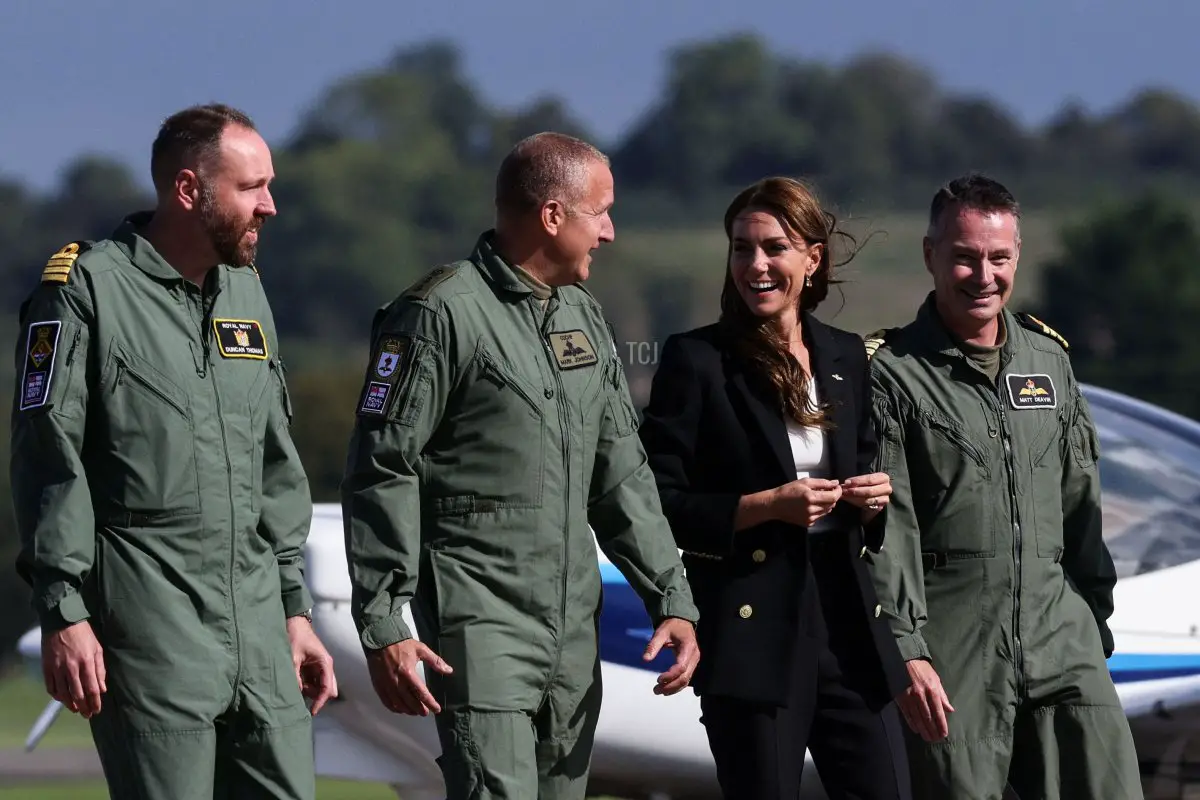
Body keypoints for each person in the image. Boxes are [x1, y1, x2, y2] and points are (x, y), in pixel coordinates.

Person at [340, 131, 701, 800]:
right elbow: (382, 469)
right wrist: (384, 621)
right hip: (480, 630)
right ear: (554, 215)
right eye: (601, 212)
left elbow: (621, 475)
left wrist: (669, 597)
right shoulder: (438, 315)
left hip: (572, 639)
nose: (611, 232)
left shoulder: (584, 320)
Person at [10, 103, 337, 800]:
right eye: (251, 188)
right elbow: (48, 459)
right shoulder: (84, 292)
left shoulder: (247, 294)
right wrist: (64, 611)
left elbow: (274, 465)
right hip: (151, 627)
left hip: (259, 628)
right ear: (190, 191)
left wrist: (295, 611)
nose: (270, 206)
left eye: (269, 185)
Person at [864, 173, 1143, 799]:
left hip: (1061, 633)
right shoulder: (891, 374)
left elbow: (1082, 505)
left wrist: (1092, 623)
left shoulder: (1050, 363)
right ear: (930, 254)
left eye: (998, 257)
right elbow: (889, 530)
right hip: (953, 641)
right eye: (964, 257)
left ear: (1016, 256)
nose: (983, 275)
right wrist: (906, 649)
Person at [637, 176, 913, 799]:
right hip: (752, 628)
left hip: (848, 622)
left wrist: (871, 503)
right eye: (741, 248)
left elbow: (865, 471)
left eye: (773, 248)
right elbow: (657, 501)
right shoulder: (697, 360)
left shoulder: (846, 355)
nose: (755, 265)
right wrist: (765, 508)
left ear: (812, 259)